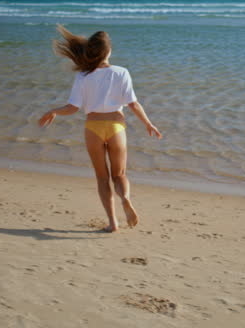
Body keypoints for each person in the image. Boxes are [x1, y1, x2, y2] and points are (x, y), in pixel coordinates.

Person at [39, 25, 162, 233]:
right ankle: (125, 198)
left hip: (93, 128)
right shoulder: (121, 72)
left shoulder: (83, 76)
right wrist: (148, 124)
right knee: (119, 175)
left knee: (102, 177)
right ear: (109, 51)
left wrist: (54, 111)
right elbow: (133, 104)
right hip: (116, 126)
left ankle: (112, 223)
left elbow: (73, 108)